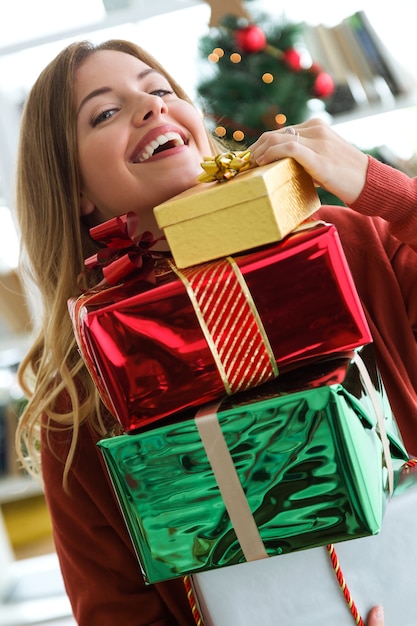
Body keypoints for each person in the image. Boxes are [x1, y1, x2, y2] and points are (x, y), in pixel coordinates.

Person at [13, 37, 416, 625]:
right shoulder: (77, 405)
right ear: (73, 190)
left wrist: (374, 185)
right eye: (105, 112)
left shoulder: (345, 245)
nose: (151, 108)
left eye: (160, 90)